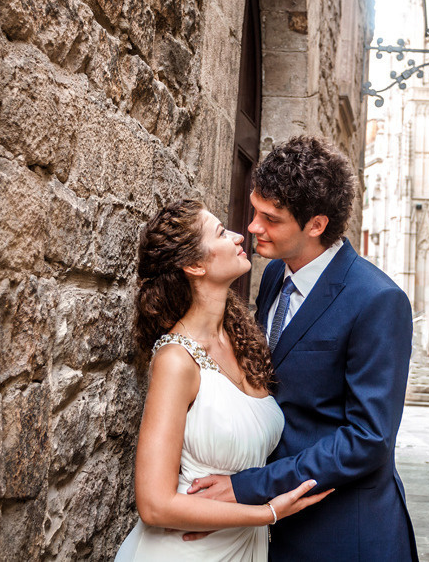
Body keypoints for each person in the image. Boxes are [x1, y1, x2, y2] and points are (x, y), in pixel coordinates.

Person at [186, 136, 419, 561]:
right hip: (275, 528)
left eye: (270, 219)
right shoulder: (274, 275)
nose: (253, 227)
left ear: (316, 225)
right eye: (255, 211)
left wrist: (248, 487)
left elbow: (368, 439)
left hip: (344, 533)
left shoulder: (378, 300)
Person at [115, 200, 331, 561]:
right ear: (195, 265)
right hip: (186, 551)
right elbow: (154, 505)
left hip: (244, 548)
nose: (238, 236)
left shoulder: (243, 341)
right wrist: (268, 513)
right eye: (220, 233)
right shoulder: (175, 361)